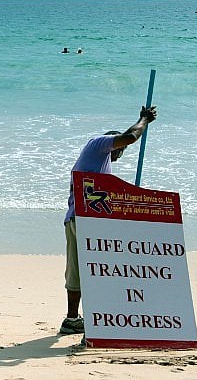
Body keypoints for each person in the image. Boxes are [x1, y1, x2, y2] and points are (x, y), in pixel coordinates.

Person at [59, 105, 157, 335]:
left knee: (78, 272)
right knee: (95, 271)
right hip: (83, 221)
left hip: (77, 218)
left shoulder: (99, 165)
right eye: (118, 151)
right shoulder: (98, 143)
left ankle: (72, 319)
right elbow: (131, 136)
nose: (117, 156)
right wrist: (144, 119)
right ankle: (95, 322)